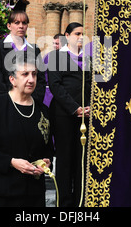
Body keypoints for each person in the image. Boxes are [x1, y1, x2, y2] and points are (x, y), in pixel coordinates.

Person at [0, 52, 54, 207]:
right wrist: (11, 162)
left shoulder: (42, 110)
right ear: (12, 79)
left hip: (33, 192)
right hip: (1, 190)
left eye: (34, 74)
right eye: (25, 74)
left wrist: (46, 162)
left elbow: (47, 148)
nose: (31, 79)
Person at [47, 22, 91, 207]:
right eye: (76, 33)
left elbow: (92, 85)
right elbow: (56, 86)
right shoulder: (56, 56)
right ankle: (63, 203)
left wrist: (89, 107)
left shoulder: (88, 58)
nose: (80, 37)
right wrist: (75, 108)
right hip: (64, 115)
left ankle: (80, 200)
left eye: (82, 34)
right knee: (65, 159)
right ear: (66, 35)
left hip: (86, 116)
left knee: (81, 159)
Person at [0, 10, 46, 102]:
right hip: (5, 101)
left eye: (24, 23)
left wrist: (34, 100)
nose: (21, 26)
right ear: (9, 26)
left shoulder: (34, 50)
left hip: (30, 102)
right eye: (17, 23)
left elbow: (40, 78)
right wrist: (7, 101)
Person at [43, 33, 64, 107]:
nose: (55, 46)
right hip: (49, 93)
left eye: (57, 44)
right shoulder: (49, 56)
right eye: (54, 43)